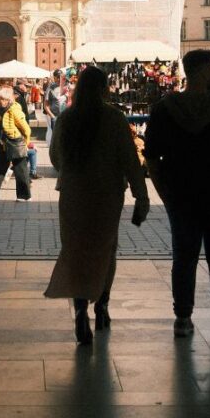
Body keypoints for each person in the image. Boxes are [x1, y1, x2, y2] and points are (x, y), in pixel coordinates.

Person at [144, 49, 210, 338]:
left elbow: (151, 156)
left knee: (184, 254)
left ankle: (183, 316)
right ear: (203, 71)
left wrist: (164, 191)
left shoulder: (165, 109)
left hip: (180, 193)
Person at [44, 66, 150, 344]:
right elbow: (130, 160)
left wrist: (73, 169)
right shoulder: (114, 118)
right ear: (104, 89)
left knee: (76, 250)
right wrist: (141, 195)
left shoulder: (67, 118)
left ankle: (81, 309)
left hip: (74, 193)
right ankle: (102, 305)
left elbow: (55, 157)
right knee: (105, 250)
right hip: (107, 193)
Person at [0, 86, 33, 202]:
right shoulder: (0, 110)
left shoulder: (14, 110)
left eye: (1, 99)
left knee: (20, 170)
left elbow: (26, 129)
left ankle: (24, 196)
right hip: (3, 143)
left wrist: (26, 143)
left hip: (15, 143)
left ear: (7, 99)